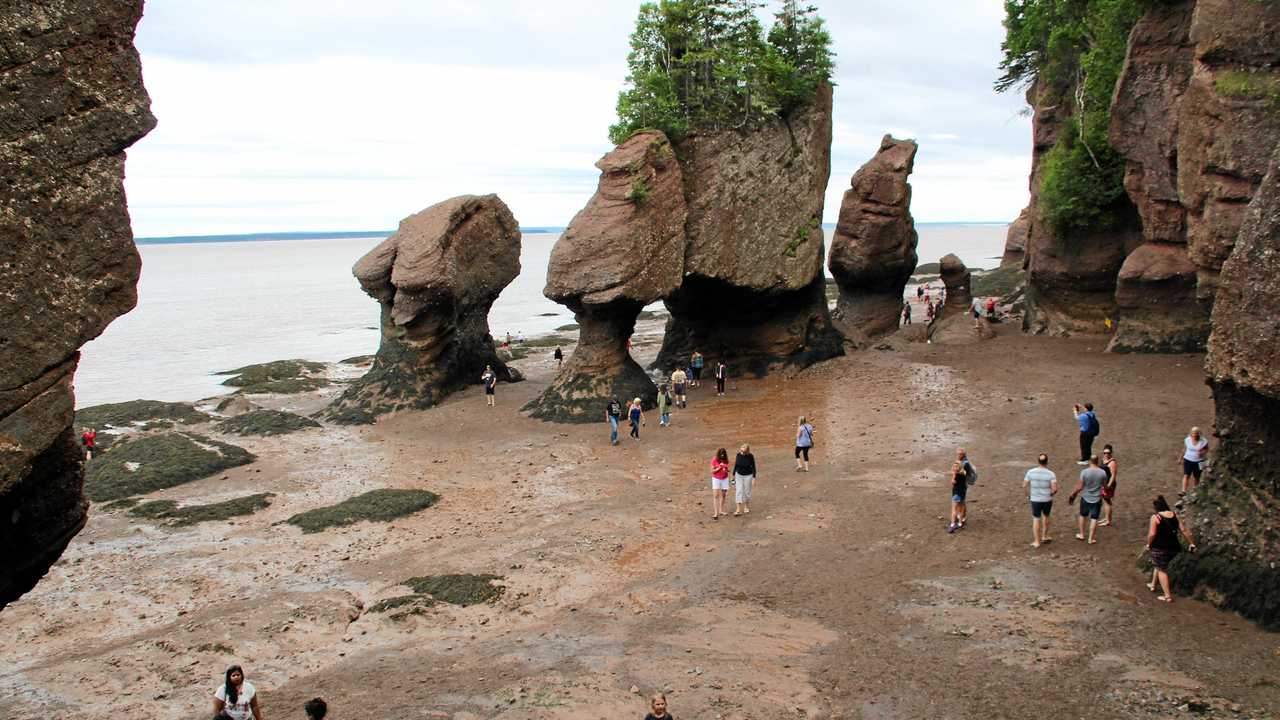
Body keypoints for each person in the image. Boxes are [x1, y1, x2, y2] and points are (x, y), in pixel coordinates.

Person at [1146, 494, 1197, 603]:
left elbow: (1152, 534)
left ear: (1155, 507)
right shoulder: (1174, 515)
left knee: (1161, 569)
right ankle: (1153, 585)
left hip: (1159, 547)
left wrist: (1149, 544)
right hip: (1174, 547)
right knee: (1159, 564)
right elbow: (1183, 530)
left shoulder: (1155, 517)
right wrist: (1191, 543)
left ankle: (1167, 596)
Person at [1068, 455, 1107, 544]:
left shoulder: (1084, 472)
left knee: (1082, 515)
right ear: (1097, 461)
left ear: (1090, 461)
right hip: (1097, 498)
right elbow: (1105, 485)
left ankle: (1081, 534)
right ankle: (1090, 538)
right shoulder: (1102, 473)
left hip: (1085, 497)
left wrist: (1073, 494)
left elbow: (1080, 486)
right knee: (1094, 518)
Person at [1023, 453, 1058, 547]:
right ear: (1047, 462)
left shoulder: (1030, 472)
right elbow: (1055, 489)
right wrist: (1051, 494)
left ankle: (1037, 541)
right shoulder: (1051, 474)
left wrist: (1028, 496)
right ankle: (1044, 536)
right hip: (1047, 499)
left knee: (1036, 518)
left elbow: (1024, 485)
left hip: (1035, 499)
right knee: (1046, 516)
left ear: (1038, 461)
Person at [947, 447, 975, 533]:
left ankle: (953, 523)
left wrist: (954, 474)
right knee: (962, 504)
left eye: (959, 454)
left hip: (958, 490)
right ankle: (961, 520)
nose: (958, 455)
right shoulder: (964, 465)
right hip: (963, 488)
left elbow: (953, 482)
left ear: (963, 454)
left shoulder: (964, 466)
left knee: (954, 507)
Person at [1181, 426, 1209, 496]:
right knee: (1186, 475)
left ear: (1199, 434)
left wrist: (1202, 453)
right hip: (1188, 459)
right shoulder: (1187, 440)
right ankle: (1183, 491)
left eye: (1196, 433)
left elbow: (1207, 449)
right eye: (1193, 433)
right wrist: (1180, 458)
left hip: (1199, 461)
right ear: (1191, 433)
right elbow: (1184, 449)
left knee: (1197, 476)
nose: (1195, 435)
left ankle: (1195, 490)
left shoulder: (1204, 441)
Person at [733, 443, 756, 516]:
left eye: (743, 451)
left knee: (747, 492)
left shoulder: (750, 456)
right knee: (738, 491)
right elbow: (736, 465)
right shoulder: (738, 455)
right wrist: (733, 475)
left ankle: (746, 506)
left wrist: (754, 478)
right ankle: (738, 509)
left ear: (747, 451)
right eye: (741, 450)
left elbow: (753, 467)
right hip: (738, 475)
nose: (742, 452)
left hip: (748, 475)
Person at [1099, 444, 1119, 527]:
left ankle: (1108, 520)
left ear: (1111, 453)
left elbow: (1113, 476)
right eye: (1104, 453)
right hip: (1103, 484)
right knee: (1106, 501)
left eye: (1108, 453)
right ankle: (1107, 518)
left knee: (1107, 501)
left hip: (1108, 485)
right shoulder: (1103, 460)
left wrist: (1108, 486)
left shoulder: (1112, 463)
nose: (1106, 454)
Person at [709, 447, 731, 519]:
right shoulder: (714, 460)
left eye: (723, 454)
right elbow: (712, 471)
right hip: (716, 478)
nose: (722, 455)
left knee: (724, 495)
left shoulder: (726, 460)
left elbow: (728, 469)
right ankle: (716, 512)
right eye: (721, 454)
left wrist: (726, 469)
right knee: (716, 495)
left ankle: (721, 510)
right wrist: (719, 468)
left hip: (724, 478)